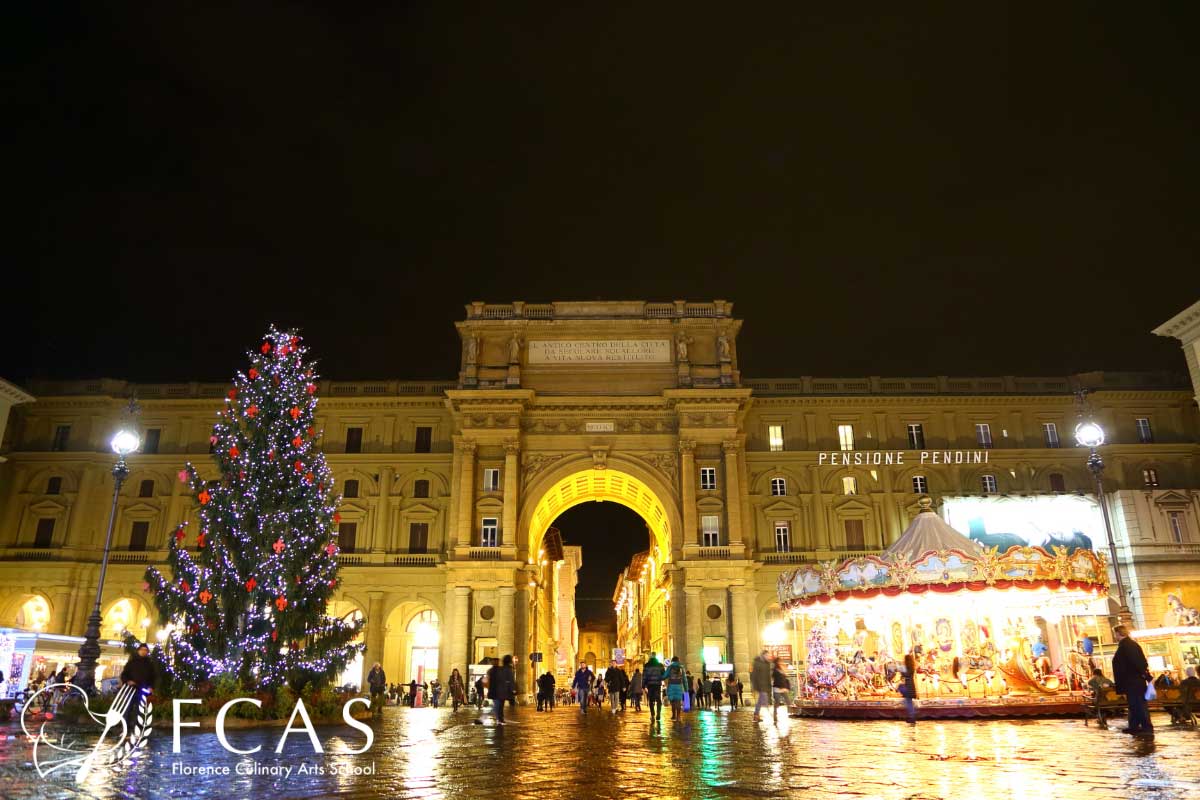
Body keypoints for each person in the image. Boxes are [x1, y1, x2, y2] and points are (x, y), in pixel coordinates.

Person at [1111, 625, 1153, 735]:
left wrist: (1144, 674)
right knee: (1134, 705)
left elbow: (1138, 663)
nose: (1114, 635)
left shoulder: (1128, 646)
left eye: (1115, 633)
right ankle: (1134, 726)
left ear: (1119, 633)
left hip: (1133, 681)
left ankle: (1146, 727)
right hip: (1132, 680)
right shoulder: (1128, 645)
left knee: (1138, 704)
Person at [119, 643, 156, 732]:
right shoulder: (132, 662)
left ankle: (137, 728)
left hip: (143, 690)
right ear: (138, 651)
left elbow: (153, 677)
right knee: (127, 708)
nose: (143, 652)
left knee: (140, 710)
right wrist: (128, 681)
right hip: (131, 689)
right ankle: (124, 727)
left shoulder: (150, 664)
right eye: (142, 650)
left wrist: (151, 687)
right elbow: (124, 674)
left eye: (145, 650)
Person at [486, 655, 516, 725]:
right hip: (501, 691)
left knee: (499, 705)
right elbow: (511, 680)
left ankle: (499, 718)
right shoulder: (507, 669)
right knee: (499, 705)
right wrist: (513, 689)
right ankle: (499, 718)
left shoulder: (499, 669)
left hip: (497, 690)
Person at [751, 649, 773, 722]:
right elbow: (754, 675)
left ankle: (756, 715)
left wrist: (769, 685)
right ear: (763, 655)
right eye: (767, 655)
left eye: (768, 655)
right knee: (765, 701)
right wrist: (754, 686)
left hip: (765, 686)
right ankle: (772, 716)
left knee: (760, 702)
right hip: (760, 686)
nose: (768, 657)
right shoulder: (757, 663)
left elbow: (768, 676)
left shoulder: (767, 664)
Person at [643, 655, 664, 722]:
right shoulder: (660, 665)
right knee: (658, 699)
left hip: (650, 685)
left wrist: (643, 685)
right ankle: (658, 714)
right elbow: (663, 674)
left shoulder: (647, 665)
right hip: (657, 684)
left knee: (651, 700)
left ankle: (652, 715)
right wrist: (660, 678)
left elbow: (644, 676)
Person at [899, 653, 918, 724]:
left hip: (908, 686)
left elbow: (905, 675)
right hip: (910, 686)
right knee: (908, 702)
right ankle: (911, 716)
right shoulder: (911, 667)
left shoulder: (907, 668)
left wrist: (901, 670)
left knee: (908, 702)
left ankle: (912, 717)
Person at [666, 656, 686, 721]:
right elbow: (684, 679)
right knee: (678, 701)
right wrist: (686, 688)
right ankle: (678, 716)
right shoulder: (681, 667)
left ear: (672, 661)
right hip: (679, 686)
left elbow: (664, 675)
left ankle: (674, 715)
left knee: (673, 702)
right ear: (678, 660)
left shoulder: (669, 667)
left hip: (671, 686)